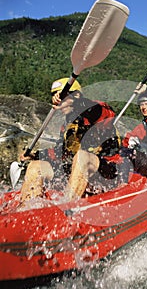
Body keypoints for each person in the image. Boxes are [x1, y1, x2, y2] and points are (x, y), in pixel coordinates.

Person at [19, 78, 127, 206]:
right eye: (54, 96)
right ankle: (27, 210)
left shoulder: (96, 111)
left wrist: (76, 102)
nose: (57, 100)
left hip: (108, 171)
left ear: (76, 95)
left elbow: (105, 113)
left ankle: (67, 209)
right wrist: (35, 155)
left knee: (82, 156)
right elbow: (61, 153)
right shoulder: (67, 125)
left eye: (61, 95)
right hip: (79, 172)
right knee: (36, 167)